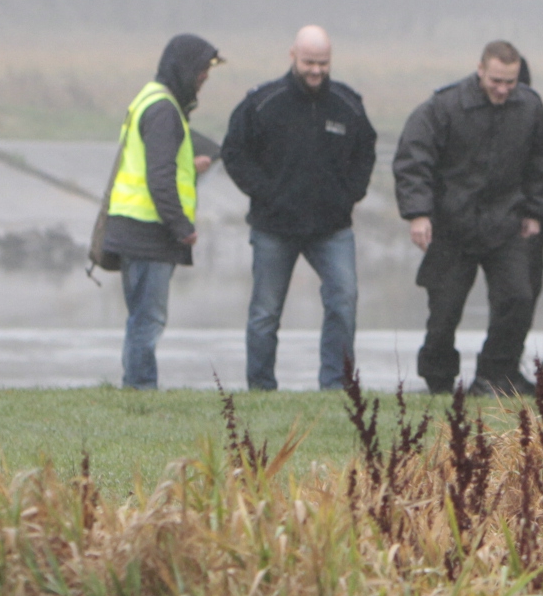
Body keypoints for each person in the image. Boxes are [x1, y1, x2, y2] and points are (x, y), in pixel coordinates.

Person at [393, 39, 543, 395]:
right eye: (496, 80)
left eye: (509, 82)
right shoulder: (444, 106)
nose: (502, 89)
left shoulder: (529, 107)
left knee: (518, 298)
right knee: (444, 311)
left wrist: (536, 212)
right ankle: (438, 378)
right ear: (480, 70)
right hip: (453, 225)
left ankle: (496, 374)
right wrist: (418, 213)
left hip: (506, 222)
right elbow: (413, 159)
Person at [220, 24, 378, 391]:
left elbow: (366, 151)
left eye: (323, 63)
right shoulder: (262, 102)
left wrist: (350, 193)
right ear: (293, 56)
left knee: (344, 299)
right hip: (274, 226)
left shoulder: (348, 104)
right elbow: (233, 152)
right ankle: (260, 388)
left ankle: (336, 385)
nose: (316, 71)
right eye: (309, 62)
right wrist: (265, 193)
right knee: (265, 313)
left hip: (332, 228)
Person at [104, 32, 221, 390]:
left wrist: (192, 165)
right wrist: (181, 226)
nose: (205, 78)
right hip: (146, 232)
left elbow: (161, 163)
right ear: (185, 69)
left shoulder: (152, 100)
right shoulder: (163, 110)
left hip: (134, 228)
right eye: (202, 71)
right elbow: (159, 177)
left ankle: (136, 387)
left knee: (141, 317)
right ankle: (140, 390)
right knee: (148, 320)